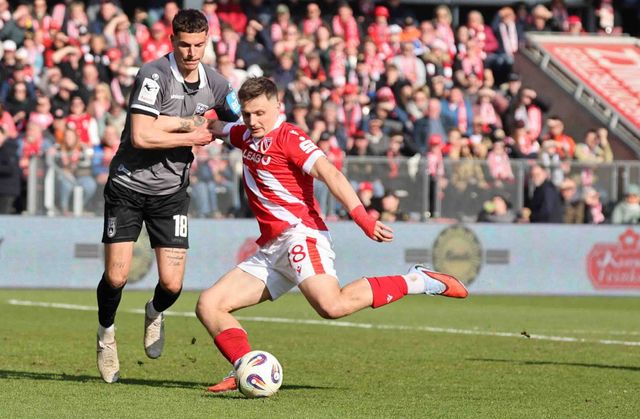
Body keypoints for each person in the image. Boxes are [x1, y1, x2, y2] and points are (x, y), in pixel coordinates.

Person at [194, 77, 468, 393]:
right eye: (247, 114)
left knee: (332, 306)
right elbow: (215, 127)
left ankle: (416, 280)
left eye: (260, 113)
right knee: (209, 304)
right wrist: (183, 121)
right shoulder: (245, 134)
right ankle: (245, 366)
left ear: (277, 107)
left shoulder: (291, 138)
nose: (253, 121)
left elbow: (330, 173)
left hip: (301, 235)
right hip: (272, 248)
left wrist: (362, 217)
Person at [95, 9, 240, 384]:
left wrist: (226, 127)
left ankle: (155, 311)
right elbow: (142, 135)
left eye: (199, 45)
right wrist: (192, 132)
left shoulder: (218, 84)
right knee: (116, 276)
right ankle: (106, 334)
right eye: (184, 45)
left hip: (171, 192)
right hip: (128, 186)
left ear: (207, 42)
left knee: (173, 285)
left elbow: (236, 122)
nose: (192, 53)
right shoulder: (153, 75)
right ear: (172, 41)